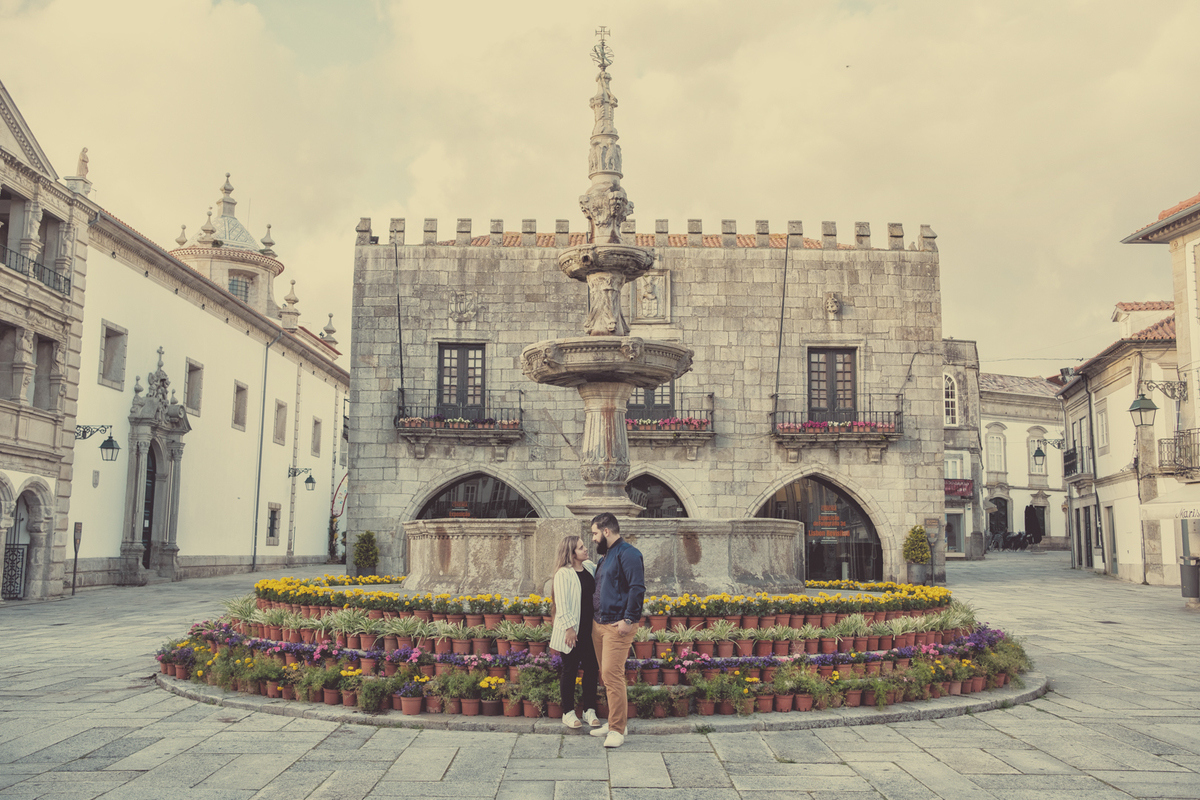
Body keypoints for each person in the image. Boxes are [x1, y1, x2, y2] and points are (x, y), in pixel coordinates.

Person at [588, 512, 644, 748]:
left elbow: (637, 588)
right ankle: (614, 723)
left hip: (617, 626)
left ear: (606, 531)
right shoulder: (606, 556)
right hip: (599, 625)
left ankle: (618, 730)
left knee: (612, 675)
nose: (593, 538)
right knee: (607, 676)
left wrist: (628, 619)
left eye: (594, 533)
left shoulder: (629, 554)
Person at [549, 535, 602, 729]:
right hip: (572, 631)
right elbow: (562, 604)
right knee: (570, 670)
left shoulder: (588, 567)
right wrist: (570, 629)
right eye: (581, 548)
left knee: (591, 669)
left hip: (591, 629)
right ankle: (568, 712)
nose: (586, 549)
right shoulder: (563, 573)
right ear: (571, 553)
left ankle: (589, 710)